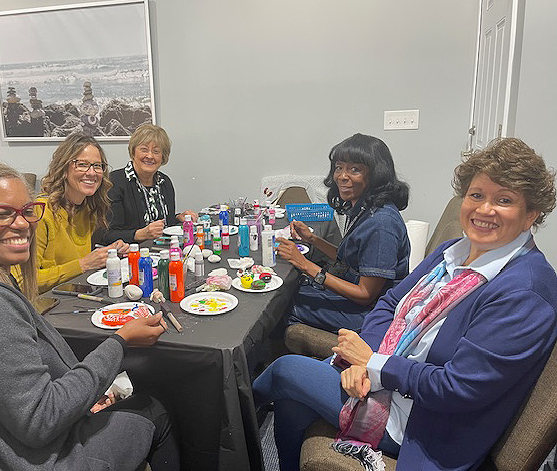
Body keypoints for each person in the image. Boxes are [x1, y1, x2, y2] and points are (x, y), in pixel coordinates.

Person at [253, 138, 557, 471]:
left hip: (425, 421)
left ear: (531, 215)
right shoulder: (453, 252)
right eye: (476, 195)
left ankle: (223, 429)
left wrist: (375, 364)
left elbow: (458, 388)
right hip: (390, 377)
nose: (485, 209)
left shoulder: (525, 293)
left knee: (285, 370)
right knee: (292, 402)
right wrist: (361, 362)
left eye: (504, 200)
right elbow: (389, 303)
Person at [0, 162, 179, 470]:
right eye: (1, 214)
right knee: (155, 408)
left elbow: (13, 389)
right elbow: (41, 420)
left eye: (27, 211)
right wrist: (119, 342)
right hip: (19, 458)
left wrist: (82, 397)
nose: (22, 224)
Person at [278, 133, 410, 333]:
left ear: (375, 174)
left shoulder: (381, 224)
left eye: (354, 169)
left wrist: (304, 264)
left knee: (280, 307)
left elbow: (365, 294)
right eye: (339, 168)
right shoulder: (364, 207)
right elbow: (350, 258)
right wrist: (312, 239)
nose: (342, 176)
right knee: (287, 292)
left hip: (370, 314)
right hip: (357, 302)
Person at [25, 132, 129, 293]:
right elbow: (25, 281)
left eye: (97, 165)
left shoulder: (88, 208)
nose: (92, 173)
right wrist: (84, 264)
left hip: (75, 296)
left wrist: (109, 253)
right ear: (64, 168)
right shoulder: (40, 212)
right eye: (82, 164)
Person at [100, 124, 198, 244]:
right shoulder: (114, 182)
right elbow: (107, 234)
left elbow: (166, 226)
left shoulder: (164, 182)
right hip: (131, 256)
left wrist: (178, 218)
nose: (150, 156)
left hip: (165, 252)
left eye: (156, 151)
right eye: (144, 149)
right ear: (133, 152)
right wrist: (139, 234)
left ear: (163, 157)